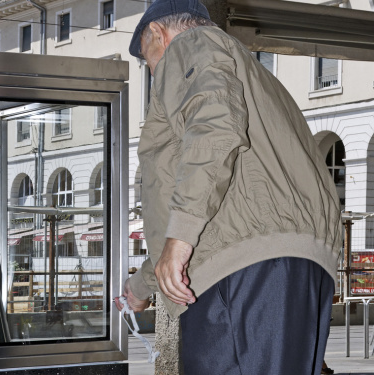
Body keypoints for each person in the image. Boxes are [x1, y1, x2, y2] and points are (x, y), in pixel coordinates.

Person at [114, 0, 342, 373]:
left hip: (246, 276)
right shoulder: (256, 80)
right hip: (283, 271)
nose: (152, 70)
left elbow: (215, 128)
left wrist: (179, 238)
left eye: (146, 58)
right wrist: (141, 288)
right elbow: (221, 213)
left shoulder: (189, 46)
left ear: (158, 33)